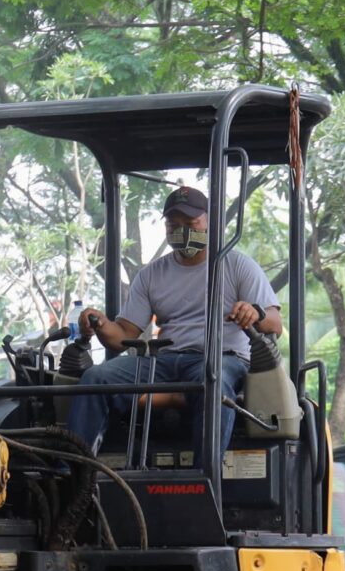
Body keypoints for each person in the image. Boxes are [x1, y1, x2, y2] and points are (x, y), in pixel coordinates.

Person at [66, 185, 280, 461]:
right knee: (96, 378)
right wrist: (100, 322)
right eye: (174, 224)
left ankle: (205, 480)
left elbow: (274, 324)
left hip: (221, 359)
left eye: (191, 223)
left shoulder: (237, 266)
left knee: (213, 380)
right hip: (163, 361)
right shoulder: (151, 275)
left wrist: (256, 313)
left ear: (209, 222)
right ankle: (73, 473)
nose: (183, 231)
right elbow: (122, 336)